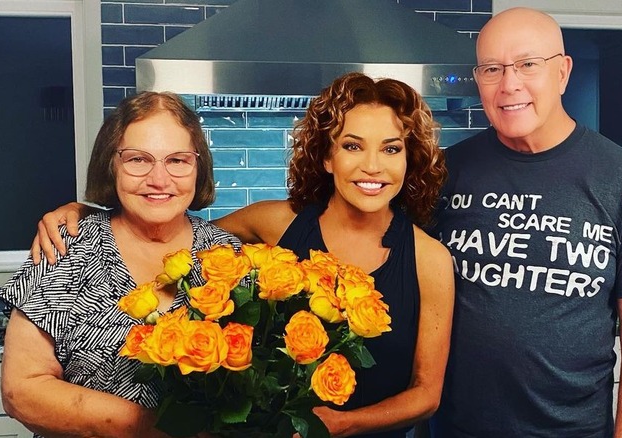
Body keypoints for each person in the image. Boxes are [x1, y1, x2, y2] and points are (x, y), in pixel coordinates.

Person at [27, 72, 455, 438]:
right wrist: (88, 213)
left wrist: (342, 425)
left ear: (409, 158)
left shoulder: (430, 260)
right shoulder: (274, 223)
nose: (373, 167)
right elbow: (175, 229)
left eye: (391, 149)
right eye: (352, 146)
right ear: (327, 157)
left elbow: (426, 395)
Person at [426, 7, 622, 438]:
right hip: (455, 429)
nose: (509, 84)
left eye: (528, 64)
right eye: (492, 69)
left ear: (562, 72)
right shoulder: (443, 173)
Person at [0, 91, 240, 437]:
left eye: (177, 160)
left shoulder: (228, 257)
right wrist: (159, 430)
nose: (159, 179)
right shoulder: (67, 245)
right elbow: (21, 391)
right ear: (111, 164)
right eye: (138, 159)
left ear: (198, 167)